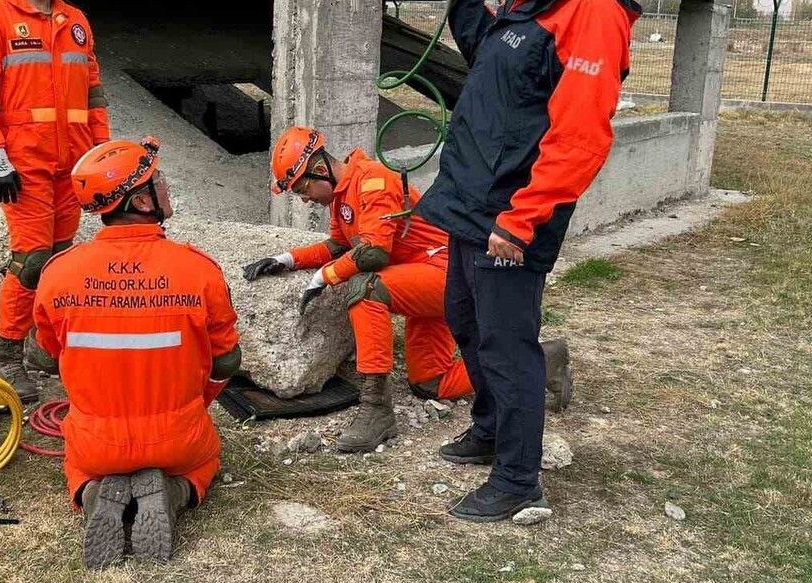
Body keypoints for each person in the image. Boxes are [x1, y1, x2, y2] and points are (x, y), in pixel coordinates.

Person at [414, 0, 641, 521]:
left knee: (509, 346)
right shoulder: (529, 1)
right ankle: (489, 428)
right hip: (472, 203)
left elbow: (581, 135)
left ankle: (518, 479)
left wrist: (523, 218)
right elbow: (488, 54)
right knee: (464, 319)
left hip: (511, 214)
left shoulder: (591, 12)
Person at [244, 127, 570, 454]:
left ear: (319, 169)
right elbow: (337, 245)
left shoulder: (374, 181)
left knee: (366, 287)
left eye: (302, 188)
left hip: (444, 275)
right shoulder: (343, 194)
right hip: (421, 279)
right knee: (430, 383)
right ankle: (542, 361)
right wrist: (287, 259)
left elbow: (374, 252)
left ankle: (376, 409)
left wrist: (324, 277)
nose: (304, 197)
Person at [33, 137, 241, 568]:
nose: (166, 187)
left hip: (96, 444)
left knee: (80, 467)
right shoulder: (198, 269)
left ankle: (93, 496)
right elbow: (226, 359)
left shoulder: (58, 274)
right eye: (158, 181)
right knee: (205, 462)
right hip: (179, 440)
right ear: (142, 199)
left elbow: (50, 353)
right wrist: (195, 405)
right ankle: (174, 492)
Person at [0, 0, 111, 403]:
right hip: (23, 165)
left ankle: (46, 346)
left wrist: (103, 154)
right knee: (31, 260)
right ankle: (8, 356)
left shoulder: (75, 20)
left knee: (62, 260)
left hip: (73, 165)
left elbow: (94, 95)